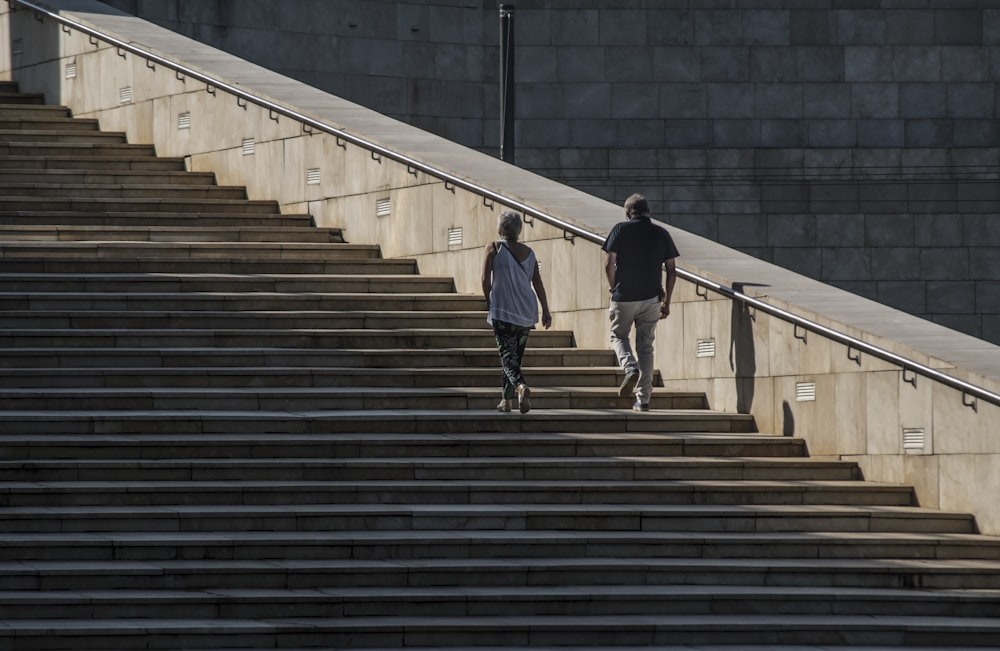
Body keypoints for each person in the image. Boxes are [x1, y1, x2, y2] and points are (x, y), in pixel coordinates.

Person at [601, 193, 679, 412]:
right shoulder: (661, 233)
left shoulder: (620, 229)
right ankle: (643, 400)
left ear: (628, 213)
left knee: (618, 336)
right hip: (651, 298)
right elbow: (672, 271)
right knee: (646, 347)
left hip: (624, 295)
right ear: (649, 212)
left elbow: (609, 262)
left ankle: (629, 367)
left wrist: (612, 285)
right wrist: (668, 303)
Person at [482, 211, 552, 413]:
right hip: (526, 311)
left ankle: (521, 386)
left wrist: (489, 300)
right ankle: (507, 401)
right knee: (514, 357)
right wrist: (546, 310)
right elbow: (537, 283)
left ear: (500, 228)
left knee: (506, 355)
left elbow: (484, 279)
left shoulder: (493, 248)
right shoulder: (529, 253)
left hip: (504, 310)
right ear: (519, 230)